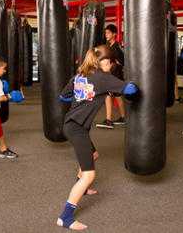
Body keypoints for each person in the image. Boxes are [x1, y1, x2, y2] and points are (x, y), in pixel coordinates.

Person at [57, 45, 139, 230]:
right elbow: (131, 90)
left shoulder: (79, 75)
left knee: (93, 155)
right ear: (104, 61)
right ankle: (65, 217)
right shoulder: (103, 78)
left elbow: (63, 97)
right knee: (89, 174)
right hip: (77, 129)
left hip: (72, 125)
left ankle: (83, 188)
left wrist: (83, 98)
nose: (111, 65)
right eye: (110, 62)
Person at [96, 24, 126, 129]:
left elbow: (121, 63)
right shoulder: (109, 46)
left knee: (108, 96)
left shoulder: (116, 48)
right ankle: (123, 117)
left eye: (108, 33)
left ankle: (108, 120)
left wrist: (110, 67)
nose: (106, 35)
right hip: (114, 77)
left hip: (114, 76)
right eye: (105, 33)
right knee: (117, 97)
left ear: (114, 34)